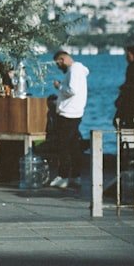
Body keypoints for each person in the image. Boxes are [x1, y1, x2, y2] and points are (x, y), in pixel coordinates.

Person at [49, 50, 89, 189]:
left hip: (68, 113)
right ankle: (75, 176)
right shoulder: (78, 70)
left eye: (58, 64)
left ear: (62, 60)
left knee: (63, 145)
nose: (59, 67)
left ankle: (63, 176)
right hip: (74, 112)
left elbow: (72, 90)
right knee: (73, 146)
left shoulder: (73, 70)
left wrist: (59, 86)